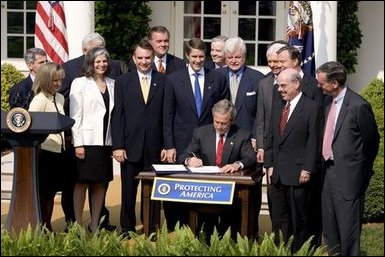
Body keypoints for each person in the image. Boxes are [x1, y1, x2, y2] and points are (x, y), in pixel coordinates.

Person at [163, 37, 229, 230]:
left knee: (205, 188)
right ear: (187, 56)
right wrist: (169, 145)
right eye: (194, 56)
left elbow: (224, 109)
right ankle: (176, 227)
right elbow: (167, 115)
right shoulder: (173, 79)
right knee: (180, 187)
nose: (198, 60)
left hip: (209, 141)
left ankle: (206, 229)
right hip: (181, 141)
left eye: (201, 56)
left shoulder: (217, 78)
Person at [316, 61, 379, 256]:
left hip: (349, 176)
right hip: (328, 171)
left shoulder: (358, 105)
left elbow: (371, 142)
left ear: (335, 83)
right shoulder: (328, 103)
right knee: (330, 224)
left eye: (322, 82)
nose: (319, 85)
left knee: (348, 227)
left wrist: (359, 171)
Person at [61, 32, 121, 231]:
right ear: (90, 62)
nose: (101, 64)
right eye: (97, 61)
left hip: (105, 142)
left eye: (104, 61)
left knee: (101, 184)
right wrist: (77, 143)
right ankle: (77, 224)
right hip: (85, 142)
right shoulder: (80, 83)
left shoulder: (113, 84)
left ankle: (95, 224)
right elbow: (75, 115)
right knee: (81, 183)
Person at [111, 39, 167, 236]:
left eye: (147, 58)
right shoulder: (122, 82)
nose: (144, 61)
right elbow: (117, 115)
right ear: (134, 58)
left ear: (153, 58)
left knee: (152, 190)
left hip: (155, 146)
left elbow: (166, 116)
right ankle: (127, 227)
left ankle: (151, 226)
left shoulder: (163, 80)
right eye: (140, 58)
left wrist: (167, 145)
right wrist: (117, 146)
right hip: (129, 146)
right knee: (128, 190)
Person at [178, 99, 256, 238]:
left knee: (230, 231)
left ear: (231, 120)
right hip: (207, 190)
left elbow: (250, 157)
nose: (219, 126)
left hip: (231, 191)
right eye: (216, 122)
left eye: (223, 123)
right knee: (206, 231)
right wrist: (190, 160)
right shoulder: (201, 133)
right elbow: (184, 154)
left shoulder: (242, 134)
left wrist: (237, 164)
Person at [264, 68, 322, 252]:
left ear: (296, 84)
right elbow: (272, 137)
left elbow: (314, 140)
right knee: (279, 219)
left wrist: (307, 168)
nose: (279, 89)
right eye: (278, 85)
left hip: (299, 174)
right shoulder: (279, 105)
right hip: (278, 174)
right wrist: (270, 164)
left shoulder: (312, 107)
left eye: (283, 85)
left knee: (300, 219)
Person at [216, 36, 265, 237]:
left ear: (245, 56)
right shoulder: (216, 75)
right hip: (222, 140)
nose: (234, 60)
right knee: (223, 190)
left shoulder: (257, 78)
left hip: (248, 142)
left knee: (248, 192)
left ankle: (248, 232)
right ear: (224, 57)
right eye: (230, 57)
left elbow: (261, 113)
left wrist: (256, 137)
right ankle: (221, 232)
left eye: (238, 57)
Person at [28, 62, 72, 231]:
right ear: (45, 80)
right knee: (44, 193)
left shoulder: (59, 97)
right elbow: (33, 130)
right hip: (45, 153)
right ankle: (44, 226)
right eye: (55, 81)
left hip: (59, 152)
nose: (59, 84)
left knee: (53, 192)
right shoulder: (39, 100)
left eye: (60, 80)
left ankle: (47, 224)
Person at [255, 40, 289, 231]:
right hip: (270, 148)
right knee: (273, 195)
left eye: (277, 61)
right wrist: (261, 145)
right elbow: (261, 118)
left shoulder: (296, 81)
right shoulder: (264, 83)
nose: (274, 65)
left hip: (291, 149)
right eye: (270, 61)